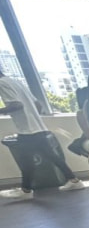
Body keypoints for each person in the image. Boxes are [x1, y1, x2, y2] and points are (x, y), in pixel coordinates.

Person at [0, 70, 84, 199]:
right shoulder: (15, 82)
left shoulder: (2, 83)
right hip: (38, 127)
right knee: (51, 156)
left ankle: (26, 190)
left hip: (27, 130)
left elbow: (16, 105)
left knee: (26, 161)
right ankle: (73, 180)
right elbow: (38, 104)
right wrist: (33, 117)